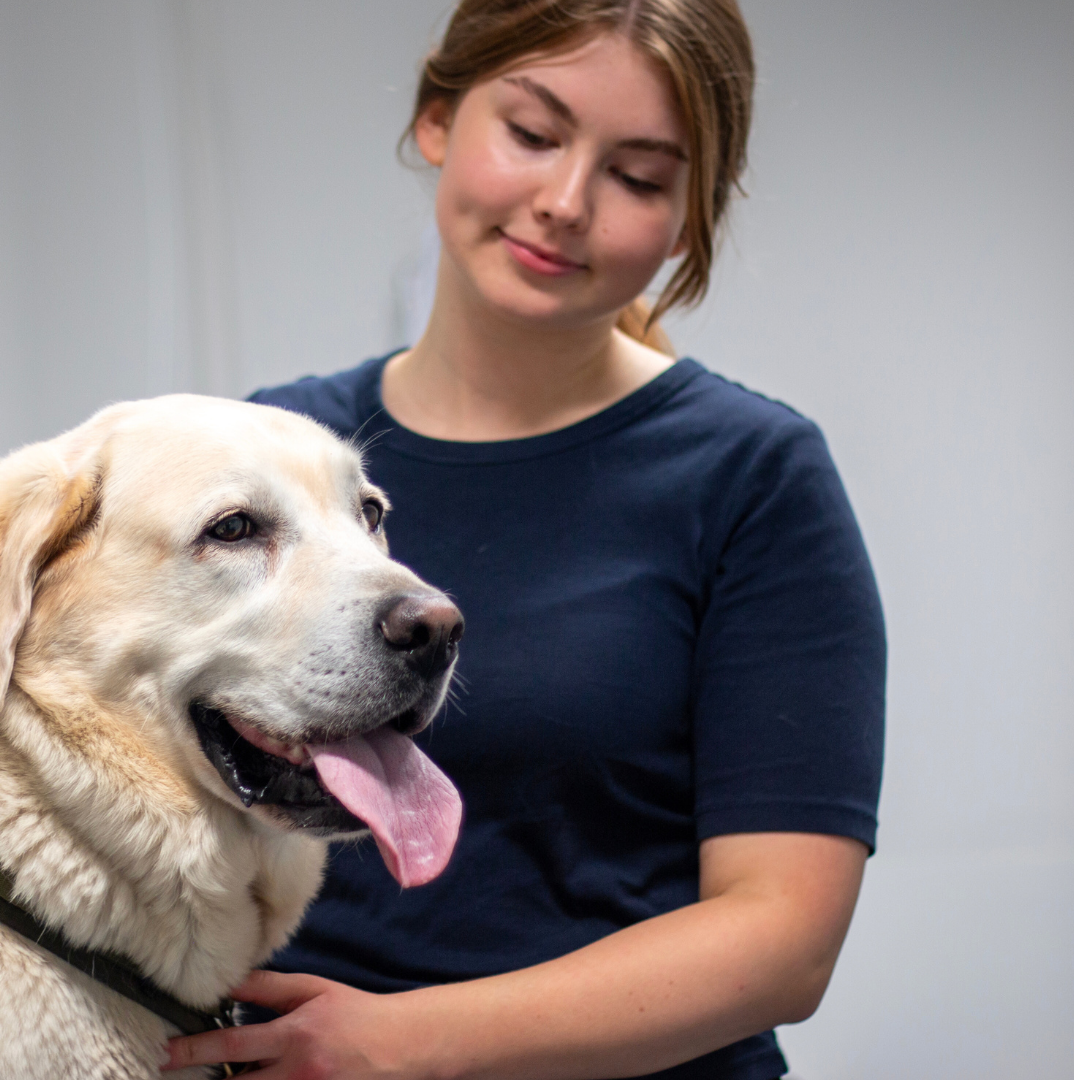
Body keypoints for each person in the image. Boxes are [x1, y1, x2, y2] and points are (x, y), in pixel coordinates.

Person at [163, 1, 884, 1078]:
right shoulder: (279, 453)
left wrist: (401, 1045)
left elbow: (784, 939)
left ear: (690, 218)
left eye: (639, 177)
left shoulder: (752, 477)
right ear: (438, 117)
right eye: (535, 135)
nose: (564, 204)